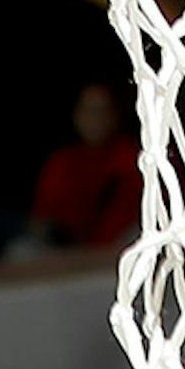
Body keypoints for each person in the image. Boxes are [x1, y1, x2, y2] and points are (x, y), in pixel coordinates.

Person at [27, 76, 141, 251]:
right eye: (88, 110)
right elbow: (40, 219)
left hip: (120, 253)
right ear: (76, 116)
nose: (94, 119)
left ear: (114, 116)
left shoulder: (134, 158)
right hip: (68, 257)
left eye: (101, 111)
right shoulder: (60, 163)